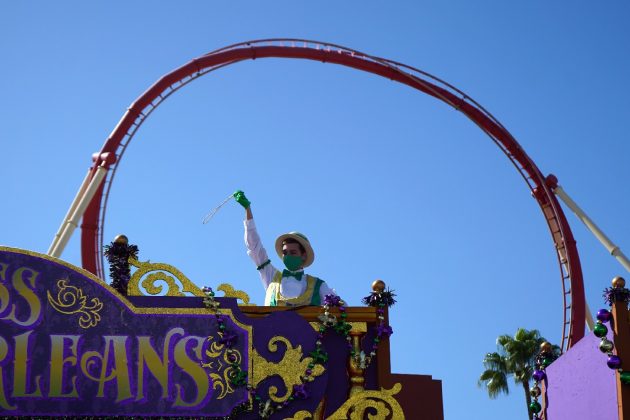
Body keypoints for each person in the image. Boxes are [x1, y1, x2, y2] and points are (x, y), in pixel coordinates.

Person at [234, 190, 336, 306]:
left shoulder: (319, 286)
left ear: (303, 255)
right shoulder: (272, 277)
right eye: (285, 253)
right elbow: (254, 247)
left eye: (293, 252)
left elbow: (342, 308)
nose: (288, 256)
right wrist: (247, 210)